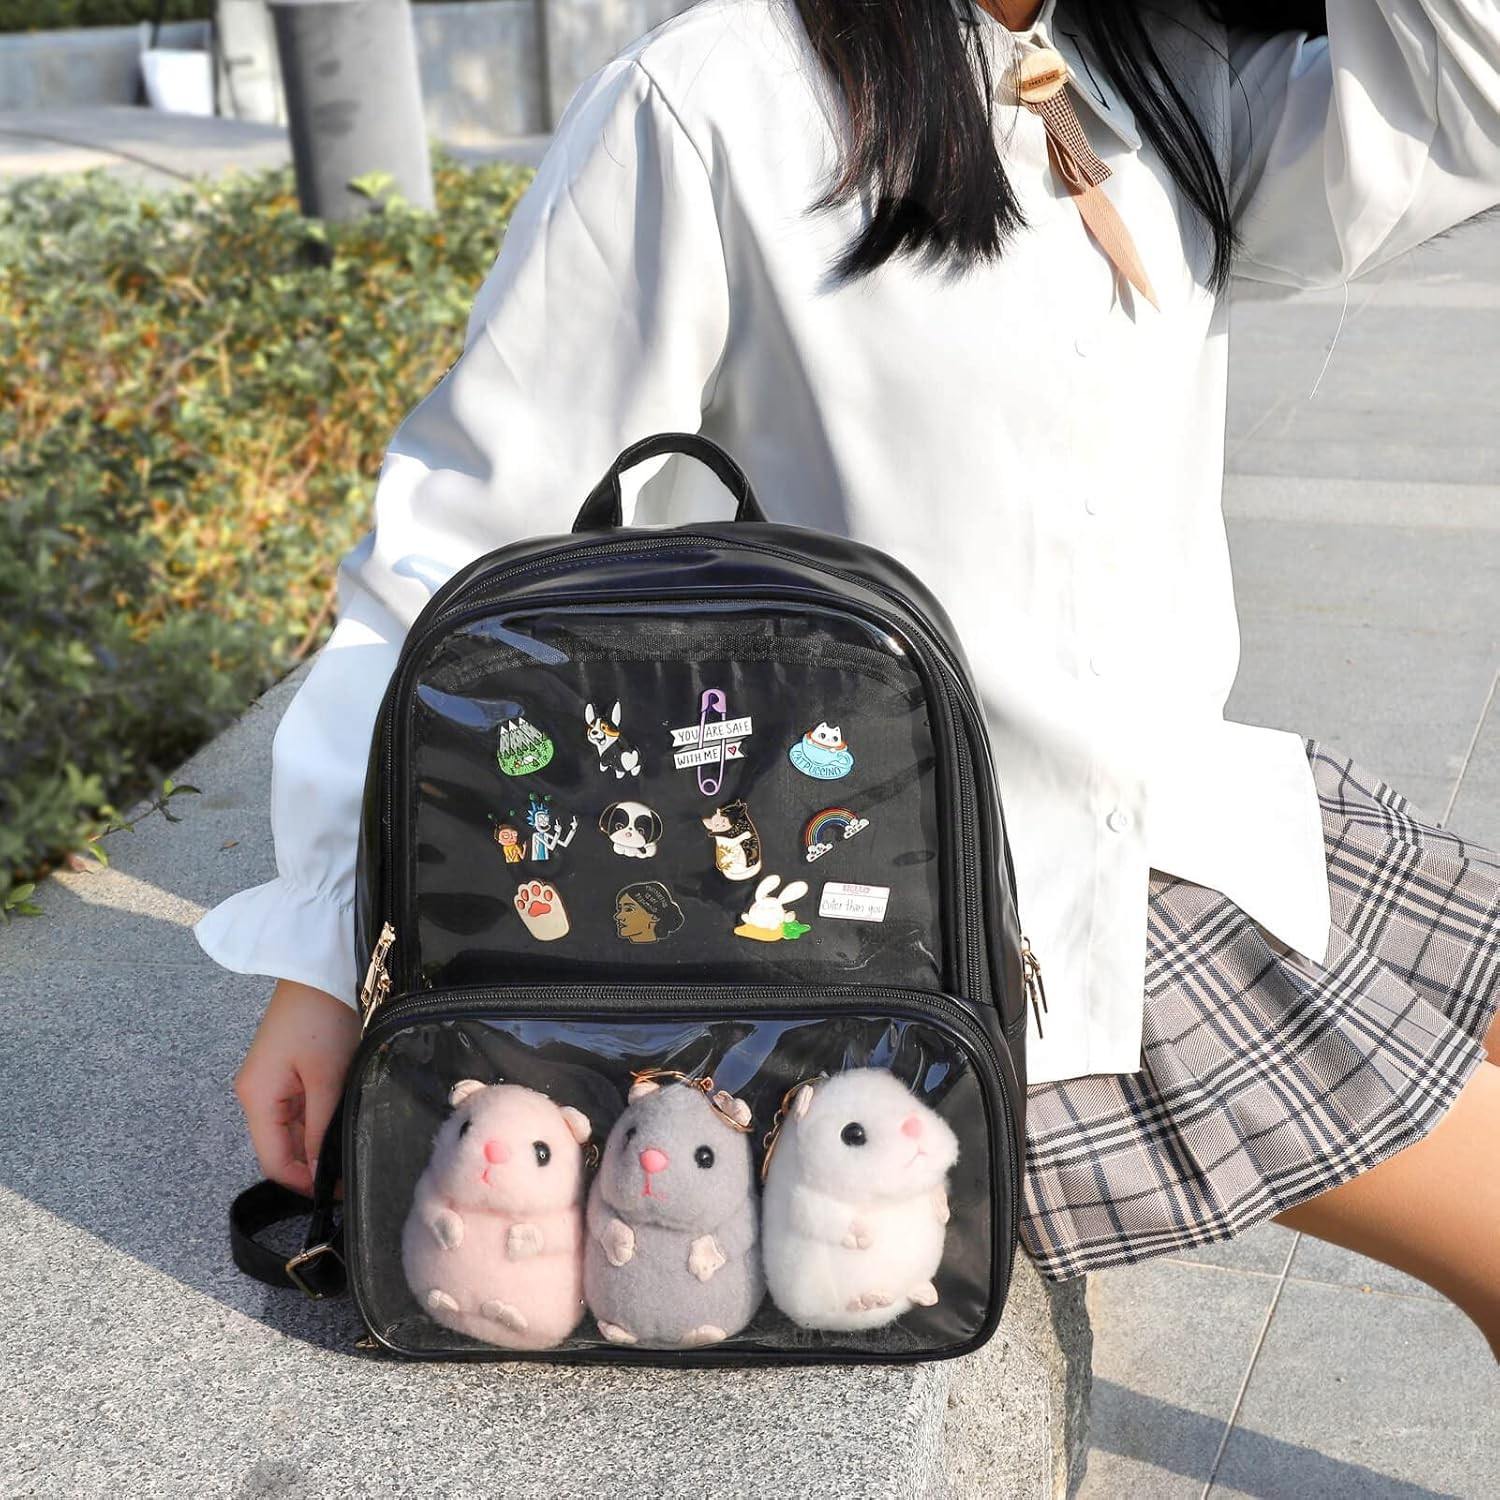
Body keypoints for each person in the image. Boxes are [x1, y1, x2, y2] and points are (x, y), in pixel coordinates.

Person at [198, 0, 1500, 1353]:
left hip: (1191, 804)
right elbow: (466, 552)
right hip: (950, 924)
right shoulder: (710, 100)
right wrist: (327, 953)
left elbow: (1463, 108)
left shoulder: (1157, 63)